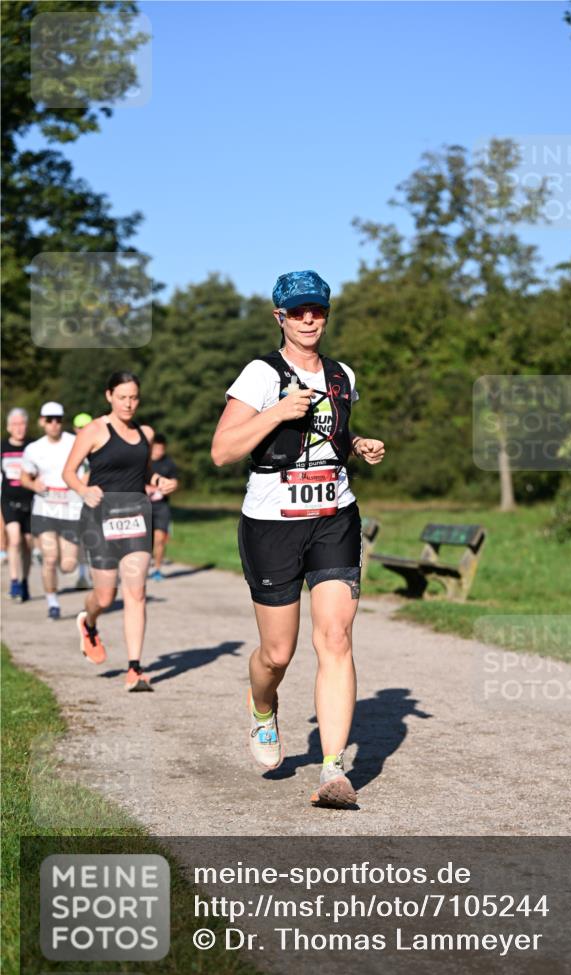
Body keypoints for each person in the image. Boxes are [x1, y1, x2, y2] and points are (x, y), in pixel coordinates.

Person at [211, 270, 385, 808]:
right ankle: (263, 708)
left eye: (318, 310)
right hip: (272, 521)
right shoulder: (260, 375)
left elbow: (327, 435)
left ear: (327, 314)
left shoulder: (341, 374)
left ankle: (334, 770)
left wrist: (356, 443)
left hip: (335, 514)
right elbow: (222, 451)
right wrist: (276, 411)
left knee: (335, 637)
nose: (309, 319)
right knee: (278, 652)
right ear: (279, 316)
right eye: (298, 310)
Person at [63, 372, 176, 693]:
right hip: (100, 519)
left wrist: (160, 482)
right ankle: (89, 621)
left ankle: (134, 669)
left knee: (136, 593)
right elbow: (69, 472)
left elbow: (145, 473)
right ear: (109, 396)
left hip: (137, 518)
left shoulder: (146, 433)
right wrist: (84, 490)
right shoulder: (94, 430)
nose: (129, 403)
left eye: (134, 397)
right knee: (104, 596)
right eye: (123, 397)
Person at [20, 403, 82, 620]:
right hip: (45, 507)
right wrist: (33, 485)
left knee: (68, 564)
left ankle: (65, 571)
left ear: (62, 421)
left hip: (71, 508)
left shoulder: (75, 442)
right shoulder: (33, 449)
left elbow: (90, 470)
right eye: (49, 419)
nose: (54, 423)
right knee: (50, 558)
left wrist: (83, 485)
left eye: (58, 419)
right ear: (41, 421)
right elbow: (24, 477)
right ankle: (52, 603)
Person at [2, 407, 34, 601]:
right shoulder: (2, 447)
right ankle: (14, 580)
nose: (19, 428)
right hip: (9, 500)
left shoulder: (33, 447)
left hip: (31, 501)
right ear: (8, 427)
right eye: (15, 424)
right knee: (14, 539)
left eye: (22, 423)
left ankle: (24, 581)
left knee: (28, 544)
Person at [147, 433, 179, 581]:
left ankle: (157, 569)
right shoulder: (143, 462)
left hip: (161, 506)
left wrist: (171, 486)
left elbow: (175, 482)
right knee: (145, 541)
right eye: (156, 448)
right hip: (142, 505)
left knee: (160, 539)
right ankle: (142, 565)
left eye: (161, 449)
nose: (158, 452)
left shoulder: (169, 464)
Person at [72, 412, 94, 590]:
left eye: (87, 426)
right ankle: (82, 574)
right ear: (75, 429)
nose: (83, 430)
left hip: (92, 499)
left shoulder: (96, 445)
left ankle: (95, 572)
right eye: (80, 427)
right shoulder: (69, 447)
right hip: (73, 499)